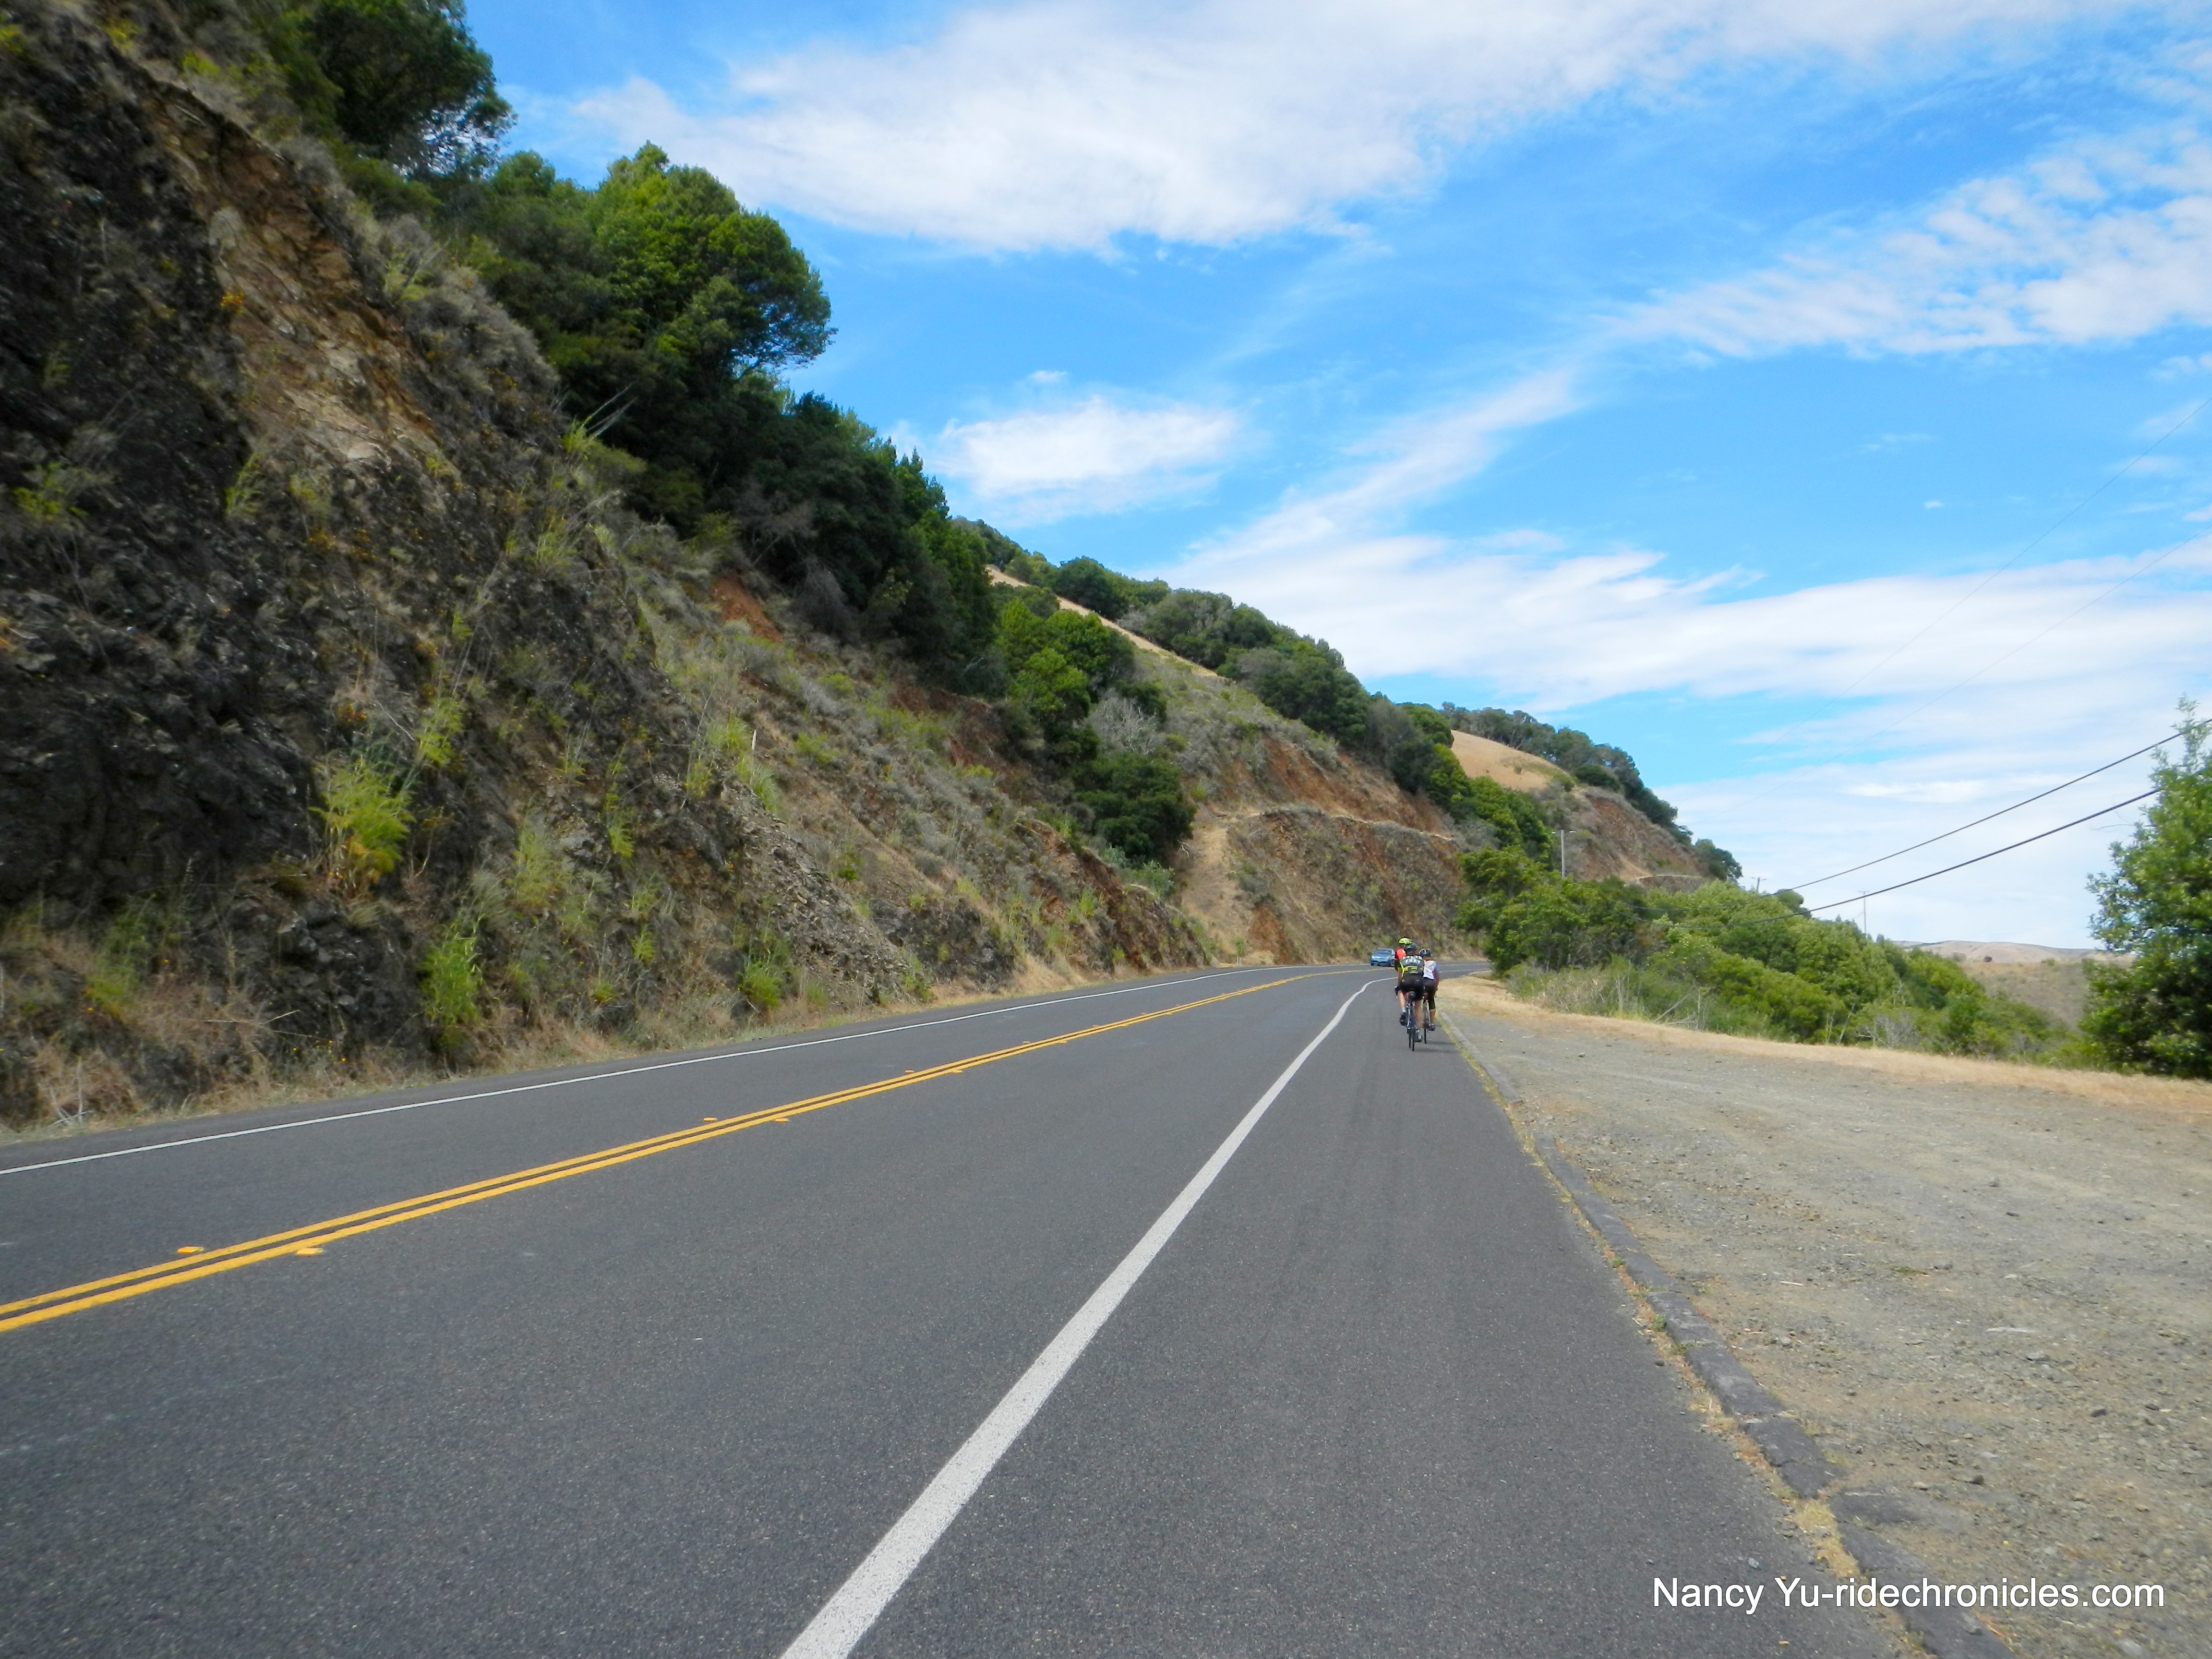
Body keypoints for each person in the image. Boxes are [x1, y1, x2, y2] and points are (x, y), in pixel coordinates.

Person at [1395, 942, 1426, 1025]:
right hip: (1418, 982)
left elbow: (1400, 976)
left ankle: (1404, 1010)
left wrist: (1399, 986)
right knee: (1418, 1007)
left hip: (1407, 981)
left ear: (1406, 952)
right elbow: (1423, 973)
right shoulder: (1421, 960)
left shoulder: (1402, 960)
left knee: (1401, 991)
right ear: (1416, 951)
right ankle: (1419, 1033)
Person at [1418, 950, 1441, 1032]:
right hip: (1431, 983)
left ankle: (1418, 1020)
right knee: (1431, 1001)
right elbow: (1437, 977)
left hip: (1421, 982)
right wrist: (1436, 987)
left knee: (1418, 1001)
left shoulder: (1418, 962)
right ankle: (1432, 1023)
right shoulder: (1434, 963)